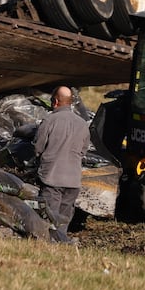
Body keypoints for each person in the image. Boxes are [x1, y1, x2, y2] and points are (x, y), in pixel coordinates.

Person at [34, 86, 89, 242]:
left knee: (50, 214)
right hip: (73, 180)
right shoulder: (82, 124)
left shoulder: (49, 120)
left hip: (52, 177)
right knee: (64, 216)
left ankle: (49, 243)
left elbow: (38, 147)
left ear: (56, 101)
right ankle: (61, 241)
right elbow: (84, 150)